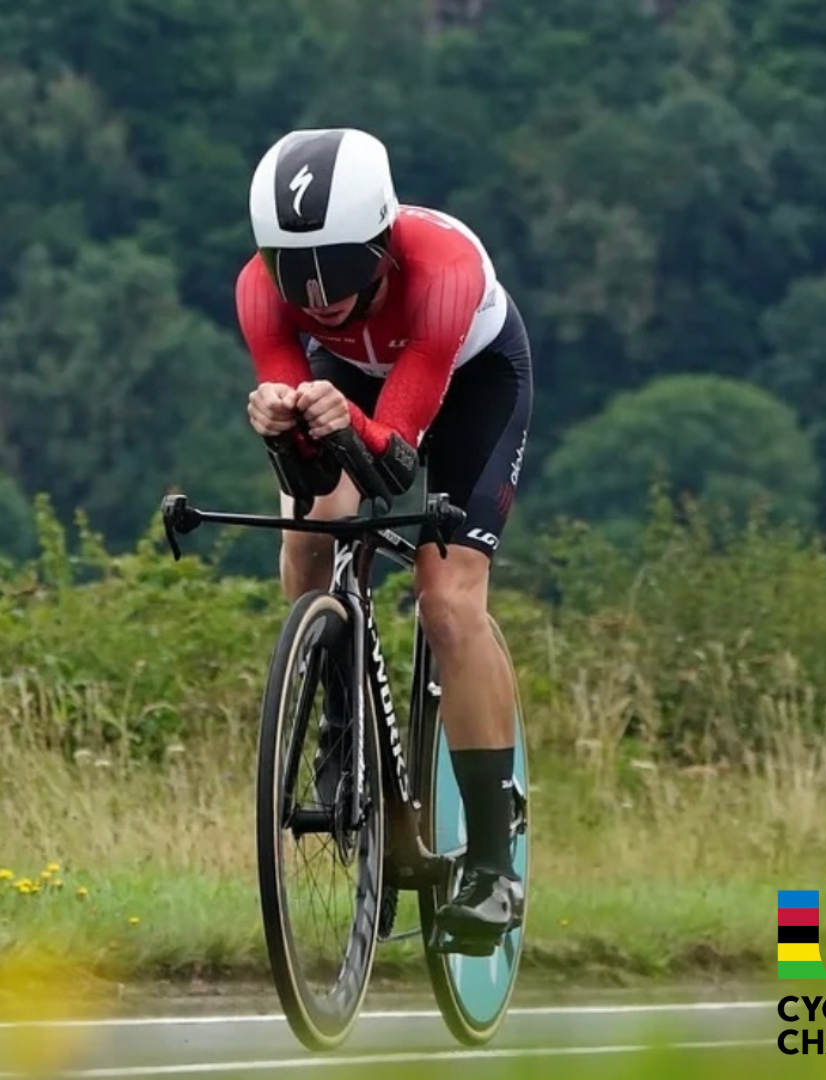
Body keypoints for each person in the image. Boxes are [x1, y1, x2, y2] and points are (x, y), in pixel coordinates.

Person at [234, 126, 531, 946]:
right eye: (297, 273)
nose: (319, 293)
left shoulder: (443, 270)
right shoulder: (260, 291)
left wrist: (340, 422)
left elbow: (396, 463)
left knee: (446, 600)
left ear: (382, 239)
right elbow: (308, 468)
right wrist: (279, 422)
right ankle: (337, 724)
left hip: (466, 380)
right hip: (356, 382)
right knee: (308, 531)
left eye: (340, 266)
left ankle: (493, 861)